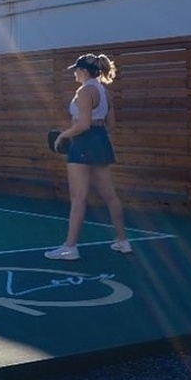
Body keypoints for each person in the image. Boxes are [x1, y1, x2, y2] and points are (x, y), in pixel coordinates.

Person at [45, 53, 131, 260]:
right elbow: (110, 125)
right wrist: (95, 133)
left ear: (83, 71)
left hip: (82, 142)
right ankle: (122, 241)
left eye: (76, 69)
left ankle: (70, 248)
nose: (74, 73)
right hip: (100, 142)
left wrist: (63, 136)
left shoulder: (85, 91)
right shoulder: (105, 92)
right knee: (110, 196)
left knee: (78, 198)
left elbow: (82, 125)